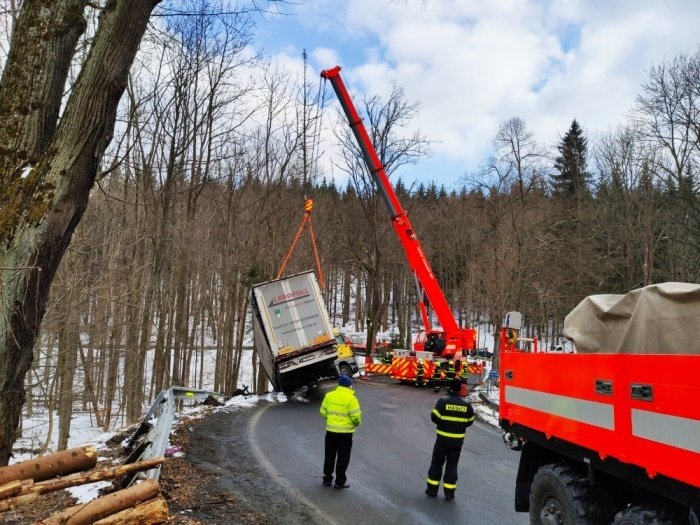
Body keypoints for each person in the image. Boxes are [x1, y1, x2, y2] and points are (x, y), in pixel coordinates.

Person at [425, 377, 475, 500]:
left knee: (437, 463)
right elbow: (470, 421)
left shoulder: (442, 401)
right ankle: (449, 493)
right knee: (452, 466)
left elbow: (434, 417)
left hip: (442, 440)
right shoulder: (466, 405)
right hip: (457, 442)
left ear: (450, 388)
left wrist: (443, 423)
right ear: (460, 389)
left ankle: (432, 490)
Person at [320, 374, 362, 489]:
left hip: (330, 432)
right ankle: (339, 482)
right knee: (343, 458)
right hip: (345, 434)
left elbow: (323, 411)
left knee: (329, 456)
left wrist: (331, 420)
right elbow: (356, 417)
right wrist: (355, 424)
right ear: (349, 386)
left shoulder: (329, 396)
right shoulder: (351, 399)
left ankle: (327, 479)